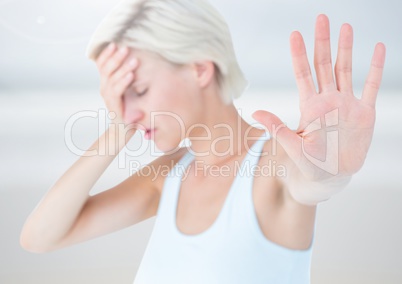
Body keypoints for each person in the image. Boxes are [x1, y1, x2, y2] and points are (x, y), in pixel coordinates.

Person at [20, 0, 386, 283]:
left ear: (199, 68)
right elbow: (40, 237)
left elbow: (312, 182)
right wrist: (119, 126)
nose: (129, 111)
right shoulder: (168, 176)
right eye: (119, 98)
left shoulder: (273, 163)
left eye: (141, 90)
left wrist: (331, 171)